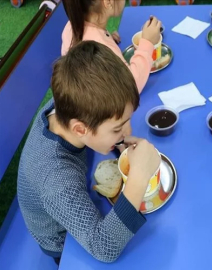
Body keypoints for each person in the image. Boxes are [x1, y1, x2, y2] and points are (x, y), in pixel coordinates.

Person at [17, 41, 161, 264]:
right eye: (118, 128)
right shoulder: (56, 181)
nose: (129, 131)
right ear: (80, 129)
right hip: (62, 241)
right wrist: (139, 178)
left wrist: (117, 141)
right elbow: (103, 248)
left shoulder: (68, 103)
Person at [62, 0, 162, 93]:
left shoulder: (71, 25)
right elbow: (131, 87)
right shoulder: (101, 47)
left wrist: (108, 37)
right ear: (108, 2)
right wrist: (147, 43)